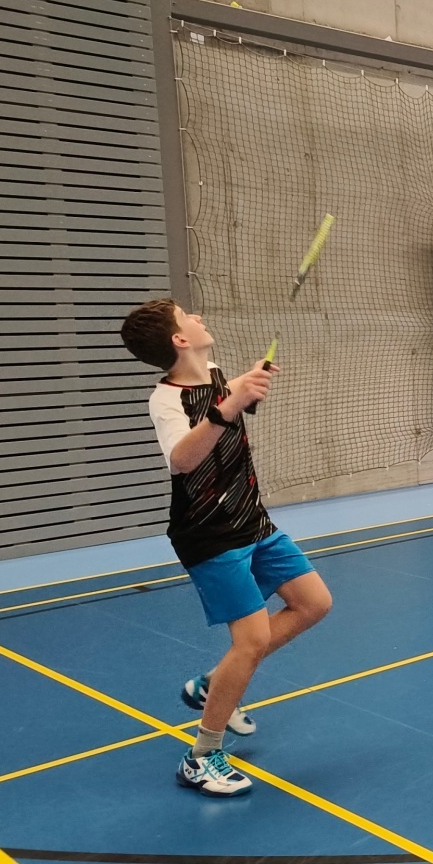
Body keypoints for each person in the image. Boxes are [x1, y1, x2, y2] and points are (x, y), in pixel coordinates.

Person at [119, 299, 332, 797]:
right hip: (209, 533)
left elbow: (227, 408)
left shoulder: (215, 374)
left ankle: (212, 684)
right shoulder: (165, 399)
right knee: (251, 641)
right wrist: (231, 403)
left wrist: (247, 385)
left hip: (252, 519)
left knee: (313, 603)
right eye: (186, 316)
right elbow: (182, 459)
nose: (197, 317)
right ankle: (201, 757)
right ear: (179, 339)